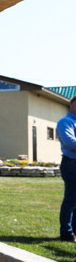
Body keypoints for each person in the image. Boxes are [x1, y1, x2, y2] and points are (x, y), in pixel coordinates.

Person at [57, 95, 76, 242]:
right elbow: (70, 142)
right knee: (71, 198)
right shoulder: (65, 122)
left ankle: (74, 231)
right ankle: (66, 232)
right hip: (71, 164)